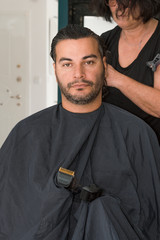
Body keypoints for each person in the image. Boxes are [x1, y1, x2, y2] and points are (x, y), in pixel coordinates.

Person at [0, 24, 160, 240]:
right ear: (55, 68)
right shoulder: (26, 135)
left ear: (104, 65)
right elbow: (12, 218)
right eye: (67, 64)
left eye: (89, 62)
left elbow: (151, 220)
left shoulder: (137, 134)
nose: (79, 74)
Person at [91, 0, 160, 144]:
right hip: (112, 146)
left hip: (151, 149)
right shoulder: (105, 40)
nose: (119, 8)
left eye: (126, 1)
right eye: (113, 1)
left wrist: (116, 79)